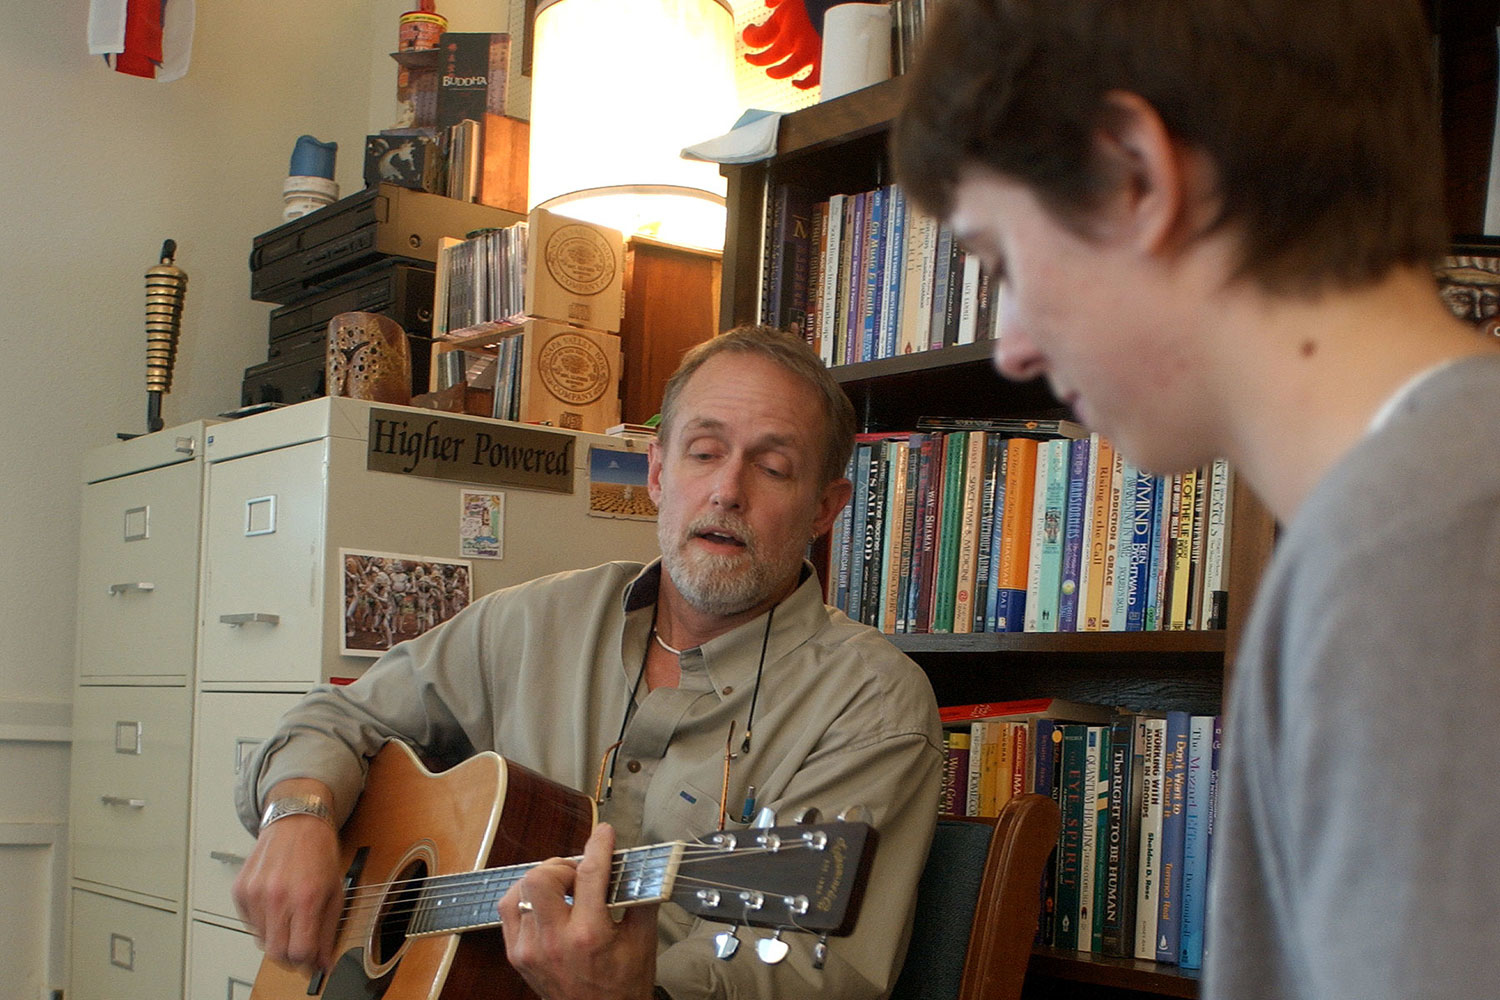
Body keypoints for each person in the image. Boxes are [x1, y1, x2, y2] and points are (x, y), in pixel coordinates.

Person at [892, 1, 1500, 998]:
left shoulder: (1420, 551)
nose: (1009, 347)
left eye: (1001, 263)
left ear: (1136, 173)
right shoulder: (1409, 520)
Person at [231, 325, 943, 1000]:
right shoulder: (534, 620)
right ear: (659, 473)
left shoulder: (872, 705)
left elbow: (810, 974)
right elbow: (337, 717)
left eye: (773, 466)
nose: (728, 490)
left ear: (825, 508)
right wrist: (298, 812)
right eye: (703, 452)